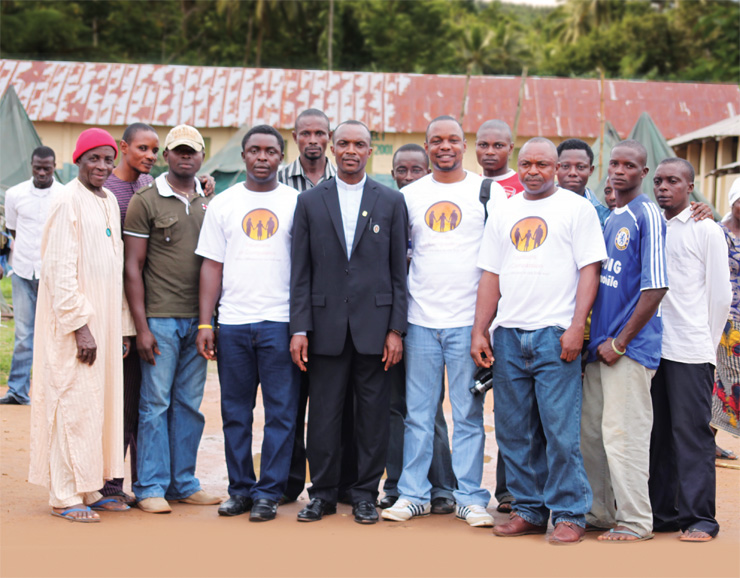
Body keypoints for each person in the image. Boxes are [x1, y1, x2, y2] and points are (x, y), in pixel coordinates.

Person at [471, 137, 606, 544]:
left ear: (556, 167)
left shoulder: (576, 208)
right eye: (526, 163)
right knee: (514, 431)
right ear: (518, 165)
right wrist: (481, 329)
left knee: (560, 431)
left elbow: (589, 271)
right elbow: (490, 275)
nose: (533, 171)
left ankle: (569, 513)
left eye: (543, 164)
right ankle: (529, 509)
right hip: (509, 335)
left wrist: (576, 326)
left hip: (554, 334)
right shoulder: (503, 210)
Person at [382, 116, 506, 528]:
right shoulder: (409, 196)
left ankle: (469, 496)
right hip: (419, 322)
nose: (445, 146)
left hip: (468, 326)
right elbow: (398, 263)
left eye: (453, 139)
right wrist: (397, 326)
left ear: (464, 145)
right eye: (437, 140)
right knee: (419, 414)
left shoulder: (488, 192)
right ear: (427, 146)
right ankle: (413, 494)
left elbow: (498, 264)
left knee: (468, 416)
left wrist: (483, 326)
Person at [290, 120, 408, 525]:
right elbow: (300, 273)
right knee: (322, 415)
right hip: (324, 329)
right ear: (331, 148)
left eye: (360, 144)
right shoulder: (309, 202)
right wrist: (299, 328)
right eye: (343, 143)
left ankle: (363, 493)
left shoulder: (390, 202)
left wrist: (396, 329)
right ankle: (321, 493)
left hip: (375, 330)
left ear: (371, 150)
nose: (351, 150)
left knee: (372, 418)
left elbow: (399, 274)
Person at [28, 128, 134, 522]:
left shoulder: (107, 200)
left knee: (97, 406)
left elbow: (115, 268)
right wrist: (80, 326)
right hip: (74, 328)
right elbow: (58, 271)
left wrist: (121, 326)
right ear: (78, 161)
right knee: (71, 403)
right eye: (94, 158)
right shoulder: (65, 200)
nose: (102, 166)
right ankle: (64, 495)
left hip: (105, 323)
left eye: (108, 159)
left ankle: (90, 486)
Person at [196, 125, 300, 522]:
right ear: (243, 156)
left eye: (270, 151)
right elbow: (211, 265)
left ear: (280, 157)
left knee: (280, 413)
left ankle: (268, 493)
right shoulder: (223, 204)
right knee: (235, 412)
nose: (262, 157)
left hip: (280, 323)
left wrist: (301, 326)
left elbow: (305, 269)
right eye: (254, 150)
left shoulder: (296, 203)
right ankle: (240, 489)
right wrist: (207, 323)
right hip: (235, 324)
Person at [124, 125, 220, 514]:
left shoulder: (209, 202)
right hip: (160, 319)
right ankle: (150, 486)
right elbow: (133, 267)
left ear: (201, 158)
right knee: (155, 404)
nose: (185, 157)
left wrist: (207, 321)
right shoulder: (145, 201)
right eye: (178, 151)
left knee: (188, 405)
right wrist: (142, 327)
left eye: (192, 152)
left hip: (197, 321)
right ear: (166, 156)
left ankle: (184, 482)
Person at [582, 139, 668, 543]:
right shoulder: (615, 214)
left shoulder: (647, 214)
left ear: (643, 173)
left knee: (624, 436)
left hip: (627, 350)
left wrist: (620, 342)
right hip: (599, 348)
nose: (619, 171)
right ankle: (600, 512)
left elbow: (655, 288)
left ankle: (635, 521)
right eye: (614, 163)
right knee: (594, 437)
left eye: (629, 165)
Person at [649, 158, 731, 542]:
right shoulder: (649, 224)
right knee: (657, 434)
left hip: (690, 349)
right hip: (651, 349)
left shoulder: (706, 229)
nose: (664, 187)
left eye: (673, 181)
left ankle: (700, 518)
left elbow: (720, 294)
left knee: (693, 434)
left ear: (690, 186)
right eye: (659, 180)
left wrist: (706, 343)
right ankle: (664, 513)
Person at [379, 144, 456, 515]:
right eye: (401, 170)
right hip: (395, 324)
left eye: (415, 170)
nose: (407, 176)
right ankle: (396, 484)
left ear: (428, 172)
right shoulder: (389, 208)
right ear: (392, 174)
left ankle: (442, 486)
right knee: (397, 408)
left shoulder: (430, 208)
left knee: (430, 411)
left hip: (432, 320)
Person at [95, 122, 158, 504]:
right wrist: (121, 324)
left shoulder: (148, 188)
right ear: (123, 148)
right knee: (114, 403)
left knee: (137, 403)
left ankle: (137, 484)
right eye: (142, 149)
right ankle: (107, 485)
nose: (150, 155)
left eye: (154, 150)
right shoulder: (105, 194)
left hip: (146, 312)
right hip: (115, 313)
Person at [1, 147, 65, 406]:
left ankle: (53, 392)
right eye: (37, 167)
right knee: (25, 335)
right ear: (31, 165)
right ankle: (17, 390)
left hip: (55, 274)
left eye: (46, 168)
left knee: (57, 334)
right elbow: (13, 230)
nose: (41, 172)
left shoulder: (64, 194)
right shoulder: (15, 194)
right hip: (24, 271)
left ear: (54, 167)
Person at [713, 178, 740, 454]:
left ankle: (710, 439)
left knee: (727, 381)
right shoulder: (718, 233)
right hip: (727, 319)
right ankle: (709, 439)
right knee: (725, 379)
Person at [556, 139, 610, 228]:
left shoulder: (602, 213)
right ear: (556, 168)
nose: (572, 173)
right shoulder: (541, 204)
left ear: (591, 170)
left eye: (580, 167)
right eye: (565, 166)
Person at [475, 120, 524, 198]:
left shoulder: (524, 186)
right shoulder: (469, 185)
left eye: (498, 146)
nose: (490, 152)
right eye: (483, 145)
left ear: (510, 148)